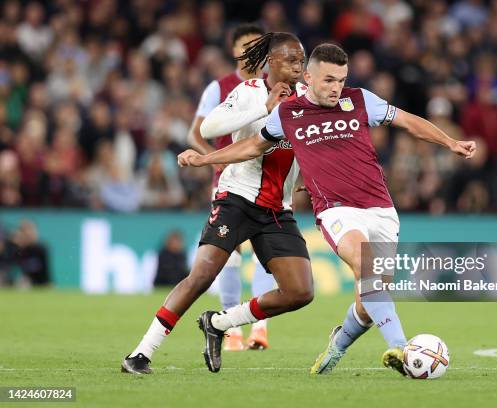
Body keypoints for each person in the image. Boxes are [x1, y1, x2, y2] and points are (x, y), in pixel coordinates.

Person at [178, 43, 476, 376]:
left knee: (369, 302)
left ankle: (337, 345)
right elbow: (252, 146)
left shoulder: (360, 100)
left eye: (341, 80)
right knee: (367, 269)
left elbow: (408, 122)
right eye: (329, 80)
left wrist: (450, 142)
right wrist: (205, 159)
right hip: (336, 211)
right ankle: (401, 346)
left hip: (380, 209)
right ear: (309, 77)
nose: (336, 88)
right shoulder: (288, 113)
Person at [124, 32, 312, 375]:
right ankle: (141, 353)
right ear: (271, 61)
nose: (299, 67)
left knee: (300, 291)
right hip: (236, 198)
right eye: (291, 60)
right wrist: (265, 107)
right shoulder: (249, 92)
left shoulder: (307, 100)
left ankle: (220, 322)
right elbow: (210, 127)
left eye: (302, 60)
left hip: (277, 210)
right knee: (201, 276)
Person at [187, 23, 277, 351]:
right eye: (246, 45)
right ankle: (229, 330)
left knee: (267, 254)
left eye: (258, 45)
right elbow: (195, 133)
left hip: (267, 179)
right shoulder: (219, 87)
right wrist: (213, 158)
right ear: (234, 50)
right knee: (231, 255)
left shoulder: (276, 86)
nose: (251, 50)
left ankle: (260, 329)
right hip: (230, 178)